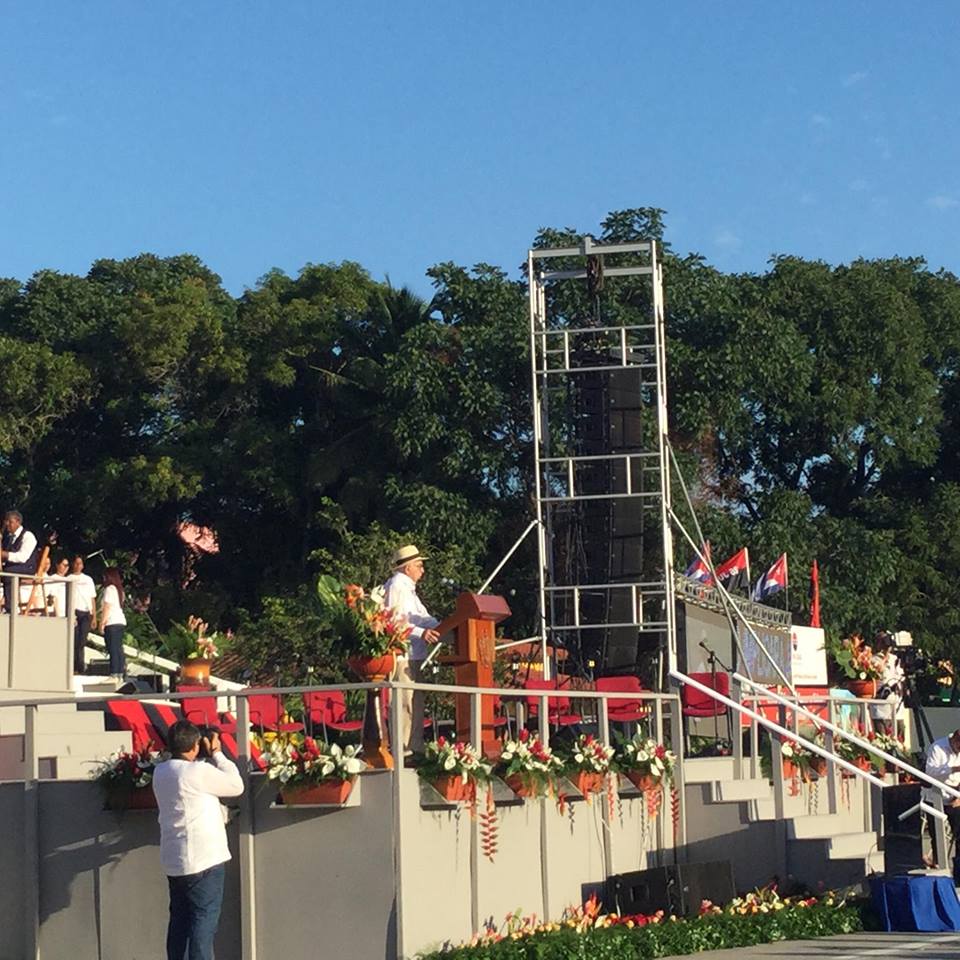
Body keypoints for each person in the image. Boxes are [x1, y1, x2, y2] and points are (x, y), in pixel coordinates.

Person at [152, 720, 243, 960]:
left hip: (175, 860)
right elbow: (236, 785)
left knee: (180, 925)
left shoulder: (160, 772)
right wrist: (217, 753)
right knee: (203, 925)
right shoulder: (198, 771)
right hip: (204, 860)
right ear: (194, 746)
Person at [383, 544, 441, 755]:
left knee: (415, 703)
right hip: (403, 655)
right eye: (419, 565)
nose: (422, 570)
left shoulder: (408, 589)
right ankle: (403, 751)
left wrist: (447, 627)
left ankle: (414, 748)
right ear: (407, 568)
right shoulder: (397, 585)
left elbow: (424, 617)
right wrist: (421, 633)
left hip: (414, 655)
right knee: (405, 703)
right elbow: (393, 622)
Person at [925, 728, 960, 879]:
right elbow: (930, 772)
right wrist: (952, 768)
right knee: (936, 833)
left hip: (956, 794)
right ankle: (938, 865)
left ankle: (958, 870)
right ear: (955, 741)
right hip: (935, 795)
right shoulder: (937, 748)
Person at [1, 510, 39, 613]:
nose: (7, 524)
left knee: (8, 573)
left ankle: (11, 608)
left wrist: (4, 554)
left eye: (10, 522)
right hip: (13, 567)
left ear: (18, 522)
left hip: (27, 567)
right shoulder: (8, 538)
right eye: (6, 521)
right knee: (5, 571)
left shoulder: (28, 536)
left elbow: (23, 557)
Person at [870, 631, 905, 736]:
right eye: (883, 641)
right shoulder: (873, 659)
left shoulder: (896, 659)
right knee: (883, 740)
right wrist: (884, 658)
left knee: (899, 739)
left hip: (897, 708)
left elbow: (902, 677)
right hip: (881, 709)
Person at [69, 554, 98, 674]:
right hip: (74, 611)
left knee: (82, 641)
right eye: (76, 563)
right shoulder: (69, 578)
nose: (78, 565)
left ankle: (80, 667)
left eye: (80, 563)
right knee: (74, 640)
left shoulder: (88, 579)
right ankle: (74, 666)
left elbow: (92, 598)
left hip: (86, 612)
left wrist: (94, 616)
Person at [100, 567, 127, 682]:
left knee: (113, 648)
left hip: (112, 622)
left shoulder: (109, 589)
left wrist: (102, 622)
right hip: (120, 621)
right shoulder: (119, 590)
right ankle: (120, 673)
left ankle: (114, 673)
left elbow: (107, 607)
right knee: (118, 648)